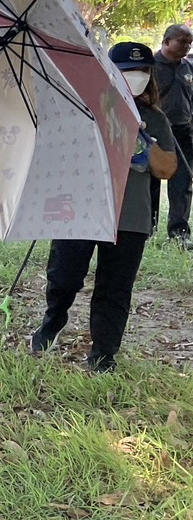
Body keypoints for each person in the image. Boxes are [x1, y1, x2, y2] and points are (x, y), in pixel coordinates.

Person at [33, 42, 177, 371]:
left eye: (142, 72)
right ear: (110, 73)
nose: (136, 78)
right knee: (64, 276)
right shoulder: (84, 108)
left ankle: (104, 353)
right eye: (127, 72)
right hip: (80, 209)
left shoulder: (154, 119)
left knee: (115, 288)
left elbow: (167, 169)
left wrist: (142, 140)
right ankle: (52, 323)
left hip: (130, 217)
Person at [150, 24, 193, 247]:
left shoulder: (188, 67)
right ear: (167, 42)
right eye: (182, 41)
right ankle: (147, 229)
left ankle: (179, 232)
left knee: (183, 182)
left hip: (184, 131)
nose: (187, 46)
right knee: (151, 181)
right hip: (158, 131)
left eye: (189, 42)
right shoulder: (151, 67)